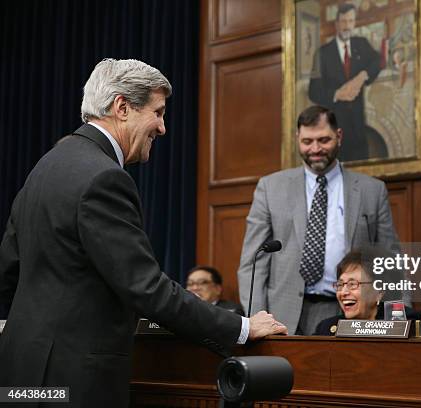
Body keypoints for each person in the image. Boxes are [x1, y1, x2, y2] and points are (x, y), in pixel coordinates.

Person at [0, 58, 286, 407]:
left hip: (20, 372)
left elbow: (9, 274)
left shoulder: (44, 167)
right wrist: (240, 327)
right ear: (122, 107)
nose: (162, 127)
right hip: (75, 377)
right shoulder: (103, 177)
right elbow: (146, 288)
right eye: (158, 112)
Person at [237, 105, 398, 335]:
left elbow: (390, 259)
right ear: (297, 139)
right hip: (283, 312)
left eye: (323, 140)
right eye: (307, 141)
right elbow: (253, 262)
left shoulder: (372, 190)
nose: (315, 149)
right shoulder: (270, 187)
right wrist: (257, 319)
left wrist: (400, 315)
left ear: (339, 137)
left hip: (349, 309)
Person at [308, 3, 381, 162]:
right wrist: (337, 94)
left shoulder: (361, 44)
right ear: (336, 24)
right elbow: (313, 91)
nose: (347, 26)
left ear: (354, 23)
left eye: (350, 21)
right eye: (343, 21)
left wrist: (362, 75)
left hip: (358, 125)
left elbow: (378, 60)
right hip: (334, 127)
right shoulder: (322, 53)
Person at [314, 250, 421, 336]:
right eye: (340, 285)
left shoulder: (404, 322)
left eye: (352, 284)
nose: (343, 292)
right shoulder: (326, 328)